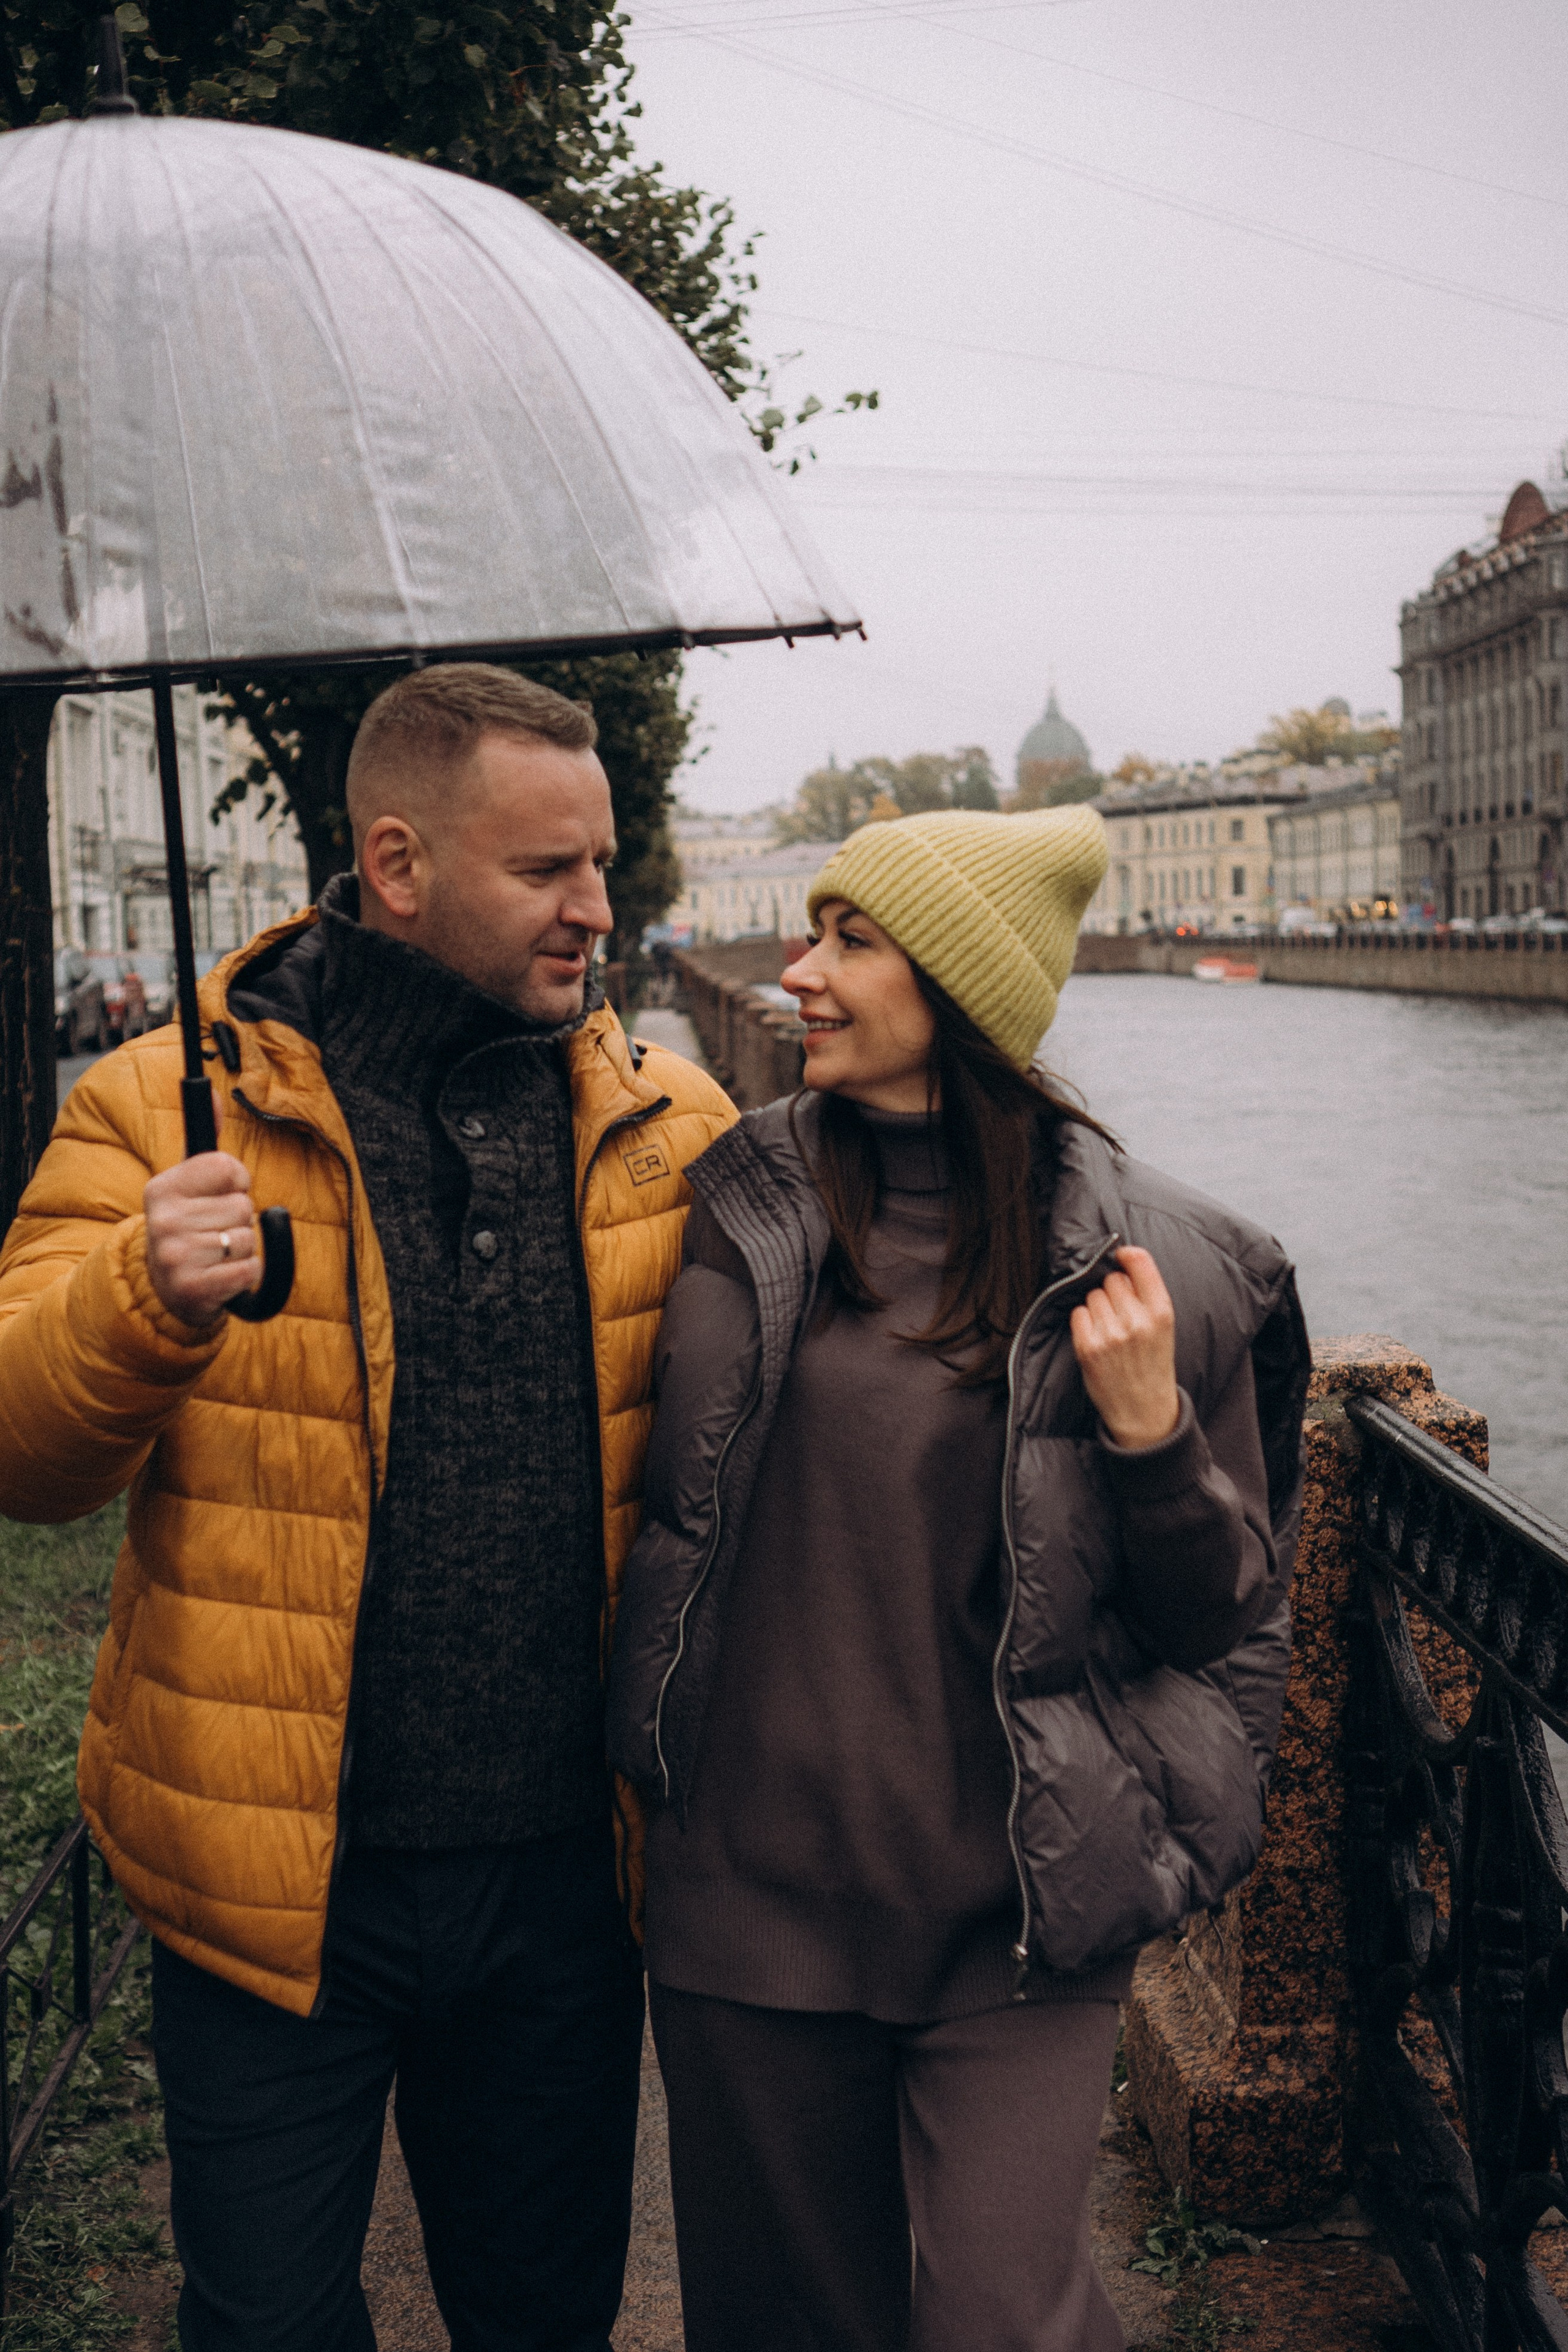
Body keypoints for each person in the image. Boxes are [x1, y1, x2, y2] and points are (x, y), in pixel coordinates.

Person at [0, 665, 735, 2352]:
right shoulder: (162, 1109)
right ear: (397, 866)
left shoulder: (664, 1124)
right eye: (547, 870)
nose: (597, 910)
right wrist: (139, 1295)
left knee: (541, 2319)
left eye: (603, 863)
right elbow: (25, 1461)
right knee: (263, 2325)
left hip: (561, 1884)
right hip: (271, 1890)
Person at [608, 804, 1311, 2352]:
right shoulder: (732, 1203)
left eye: (850, 941)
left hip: (1012, 1908)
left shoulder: (1170, 1267)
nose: (797, 971)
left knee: (1006, 2315)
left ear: (961, 987)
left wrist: (1150, 1440)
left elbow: (1222, 1619)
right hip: (754, 1902)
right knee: (796, 2325)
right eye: (809, 931)